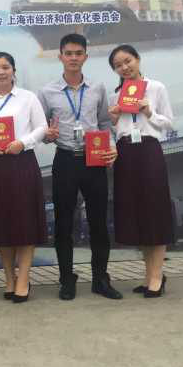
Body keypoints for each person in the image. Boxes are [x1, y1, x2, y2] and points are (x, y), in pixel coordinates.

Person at [37, 34, 122, 301]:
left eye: (78, 53)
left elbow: (104, 123)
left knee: (98, 222)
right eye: (68, 53)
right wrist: (47, 135)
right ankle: (66, 279)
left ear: (86, 56)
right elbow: (41, 128)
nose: (73, 58)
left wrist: (111, 145)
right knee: (64, 223)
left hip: (94, 159)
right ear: (60, 56)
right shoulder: (47, 91)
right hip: (64, 159)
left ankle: (100, 279)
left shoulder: (97, 87)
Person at [0, 52, 47, 303]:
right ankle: (8, 278)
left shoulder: (28, 98)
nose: (1, 72)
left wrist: (22, 142)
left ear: (13, 70)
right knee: (1, 223)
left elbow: (42, 128)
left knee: (25, 223)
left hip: (21, 162)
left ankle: (23, 278)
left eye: (5, 67)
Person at [107, 44, 175, 298]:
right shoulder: (116, 95)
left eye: (128, 61)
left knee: (154, 212)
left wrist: (149, 111)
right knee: (138, 215)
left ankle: (156, 277)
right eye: (118, 65)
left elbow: (169, 123)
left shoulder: (156, 88)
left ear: (138, 59)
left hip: (148, 150)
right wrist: (115, 119)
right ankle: (149, 276)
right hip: (125, 153)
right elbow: (115, 131)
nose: (124, 67)